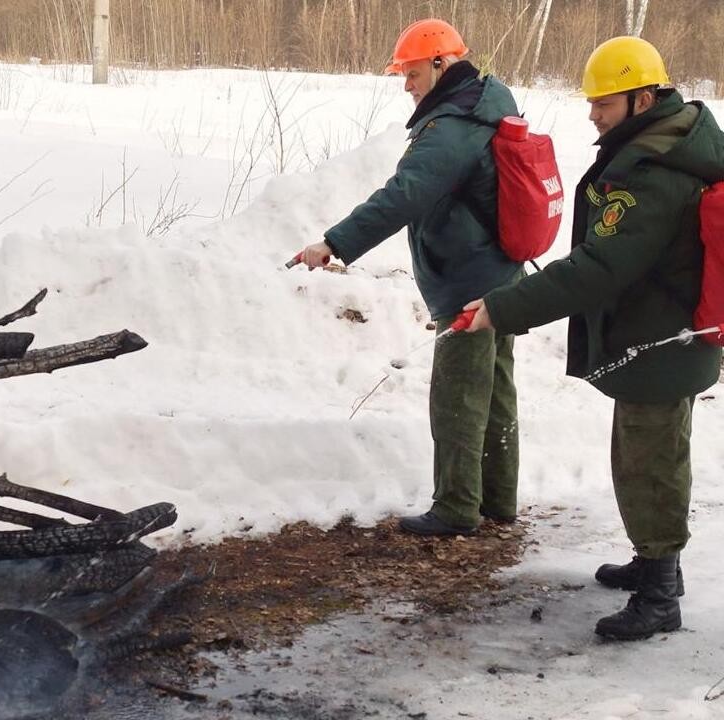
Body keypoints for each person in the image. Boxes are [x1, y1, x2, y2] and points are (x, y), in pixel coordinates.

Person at [464, 36, 724, 640]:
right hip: (666, 335)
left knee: (648, 463)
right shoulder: (670, 143)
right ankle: (656, 564)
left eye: (603, 102)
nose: (592, 114)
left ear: (642, 98)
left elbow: (600, 268)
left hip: (661, 339)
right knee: (651, 453)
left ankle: (660, 595)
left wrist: (503, 307)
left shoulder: (656, 171)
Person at [300, 19, 523, 536]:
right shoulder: (485, 104)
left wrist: (334, 243)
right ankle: (497, 498)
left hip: (470, 278)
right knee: (495, 389)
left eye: (412, 71)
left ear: (442, 64)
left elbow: (403, 195)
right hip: (500, 269)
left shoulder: (453, 127)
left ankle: (457, 508)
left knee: (459, 395)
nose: (406, 84)